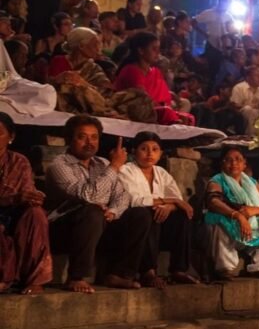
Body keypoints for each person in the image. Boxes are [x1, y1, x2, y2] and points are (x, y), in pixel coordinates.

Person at [46, 116, 153, 293]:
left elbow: (122, 196)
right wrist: (115, 166)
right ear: (70, 139)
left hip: (99, 224)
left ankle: (119, 274)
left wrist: (112, 211)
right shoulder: (59, 165)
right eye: (82, 137)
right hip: (64, 228)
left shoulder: (102, 164)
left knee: (140, 214)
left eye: (94, 137)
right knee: (92, 211)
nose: (89, 143)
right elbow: (88, 195)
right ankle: (76, 277)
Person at [118, 132, 197, 286]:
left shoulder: (161, 173)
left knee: (181, 214)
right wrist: (169, 201)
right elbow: (134, 200)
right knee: (150, 211)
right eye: (144, 149)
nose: (150, 154)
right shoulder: (126, 170)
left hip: (158, 229)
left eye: (155, 149)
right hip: (133, 225)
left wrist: (170, 206)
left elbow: (178, 200)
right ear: (134, 151)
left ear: (160, 153)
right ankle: (148, 271)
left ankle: (178, 270)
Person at [204, 147, 259, 280]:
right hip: (232, 226)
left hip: (251, 228)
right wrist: (238, 215)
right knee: (218, 218)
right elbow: (213, 202)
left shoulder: (251, 182)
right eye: (228, 160)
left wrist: (254, 210)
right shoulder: (217, 180)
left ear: (244, 163)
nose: (234, 163)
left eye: (237, 159)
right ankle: (224, 268)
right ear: (222, 163)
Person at [0, 113, 51, 294]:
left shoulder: (19, 161)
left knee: (36, 214)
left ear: (11, 137)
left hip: (13, 215)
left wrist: (32, 197)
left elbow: (26, 191)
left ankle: (35, 280)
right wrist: (12, 198)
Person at [113, 32, 194, 125]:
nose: (158, 53)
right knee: (168, 113)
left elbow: (163, 94)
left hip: (157, 108)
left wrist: (172, 98)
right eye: (154, 49)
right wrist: (171, 111)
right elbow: (143, 101)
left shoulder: (155, 71)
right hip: (139, 111)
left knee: (187, 113)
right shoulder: (131, 70)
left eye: (159, 49)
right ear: (141, 51)